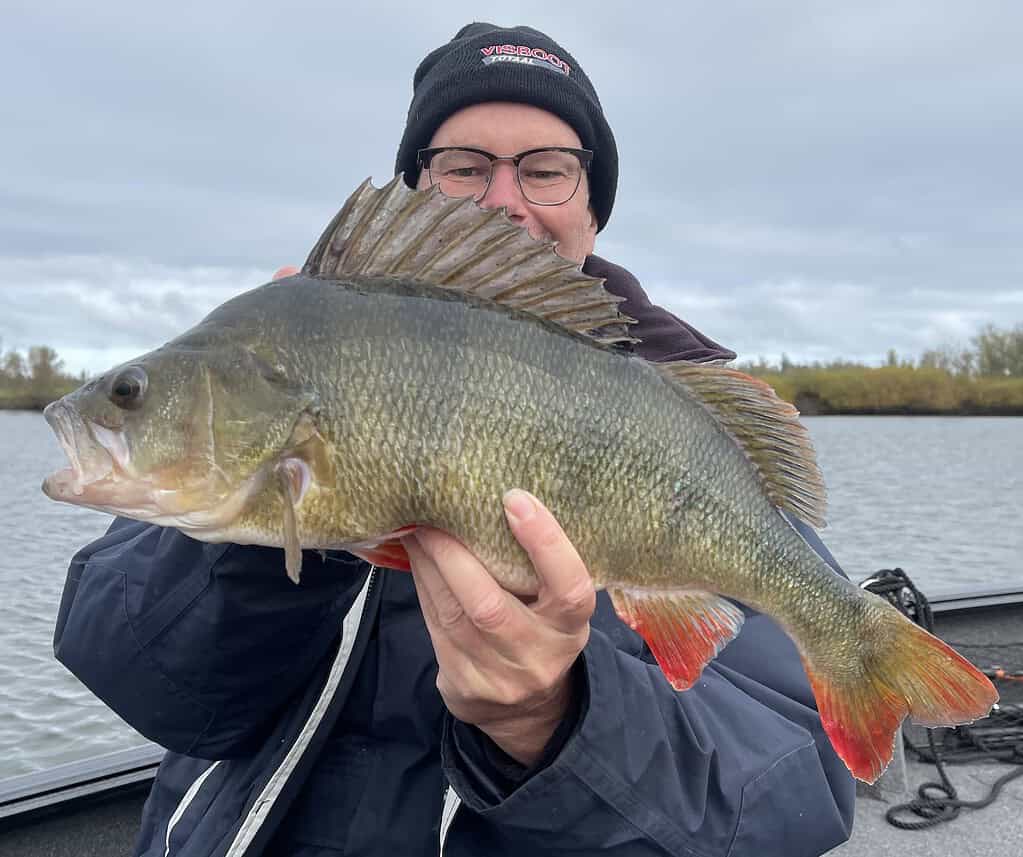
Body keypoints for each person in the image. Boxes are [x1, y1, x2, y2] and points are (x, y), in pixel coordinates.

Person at [54, 22, 855, 857]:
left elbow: (791, 795)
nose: (503, 200)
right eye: (464, 167)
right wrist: (268, 525)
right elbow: (138, 678)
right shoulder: (284, 360)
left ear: (593, 207)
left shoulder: (673, 421)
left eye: (545, 170)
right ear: (416, 194)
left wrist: (553, 718)